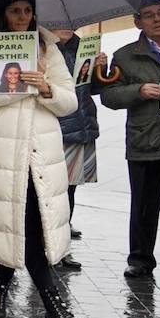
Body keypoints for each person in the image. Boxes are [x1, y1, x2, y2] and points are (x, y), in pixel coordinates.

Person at [0, 0, 86, 318]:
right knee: (12, 219)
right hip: (0, 152)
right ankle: (35, 302)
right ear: (2, 13)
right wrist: (21, 84)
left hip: (40, 152)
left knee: (29, 222)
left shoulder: (47, 48)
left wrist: (45, 87)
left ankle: (20, 298)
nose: (23, 17)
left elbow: (69, 102)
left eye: (28, 10)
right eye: (15, 10)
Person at [95, 0, 160, 281]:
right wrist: (138, 91)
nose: (157, 19)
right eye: (149, 15)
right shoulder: (125, 55)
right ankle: (140, 259)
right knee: (143, 206)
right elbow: (108, 96)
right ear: (137, 21)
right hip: (145, 140)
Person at [55, 30, 103, 271]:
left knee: (69, 190)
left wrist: (99, 70)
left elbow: (92, 88)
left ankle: (61, 248)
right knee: (48, 192)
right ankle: (43, 246)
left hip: (81, 125)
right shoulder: (42, 47)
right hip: (54, 128)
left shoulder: (82, 46)